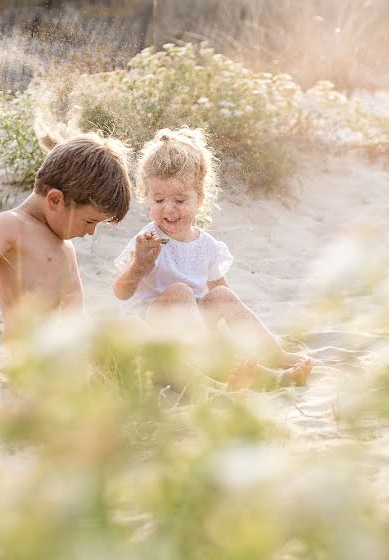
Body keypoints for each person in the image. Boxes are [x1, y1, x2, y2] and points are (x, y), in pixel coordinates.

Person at [113, 127, 312, 388]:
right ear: (147, 197)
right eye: (159, 199)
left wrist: (226, 331)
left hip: (192, 328)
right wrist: (139, 266)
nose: (168, 209)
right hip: (151, 328)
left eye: (180, 200)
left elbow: (223, 297)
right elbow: (120, 293)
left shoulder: (206, 245)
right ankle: (228, 369)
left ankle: (275, 357)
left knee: (222, 296)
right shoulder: (147, 240)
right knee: (181, 291)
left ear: (200, 198)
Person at [0, 133, 133, 334]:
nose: (91, 232)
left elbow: (75, 317)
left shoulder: (64, 245)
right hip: (33, 367)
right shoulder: (11, 226)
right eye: (89, 221)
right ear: (56, 200)